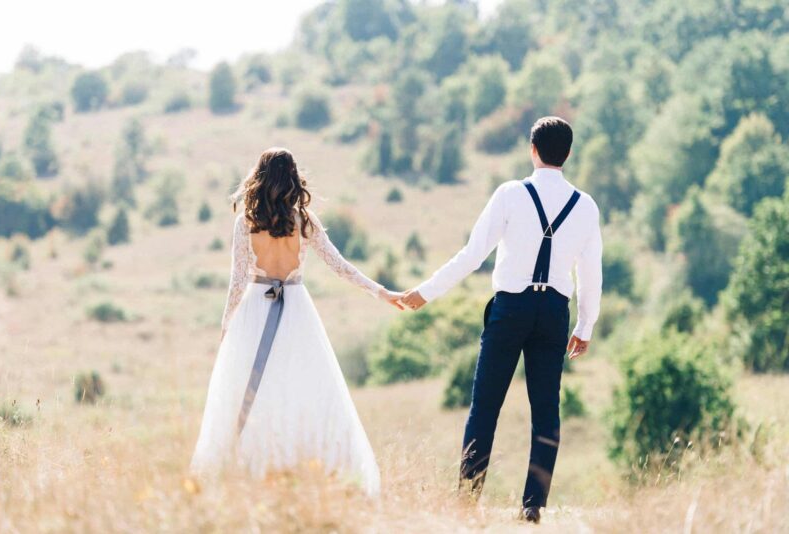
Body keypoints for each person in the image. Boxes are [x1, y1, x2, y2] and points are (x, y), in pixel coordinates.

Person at [401, 117, 603, 523]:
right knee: (546, 411)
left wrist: (426, 292)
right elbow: (591, 272)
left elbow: (473, 254)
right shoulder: (585, 205)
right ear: (568, 154)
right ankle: (533, 508)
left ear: (533, 150)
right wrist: (585, 327)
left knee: (485, 407)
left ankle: (467, 501)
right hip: (553, 313)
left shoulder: (511, 194)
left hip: (510, 308)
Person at [190, 147, 403, 496]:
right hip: (297, 310)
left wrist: (227, 325)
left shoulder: (245, 222)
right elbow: (340, 266)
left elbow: (237, 281)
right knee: (301, 389)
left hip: (255, 310)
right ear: (292, 179)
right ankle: (300, 467)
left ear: (258, 178)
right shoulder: (304, 221)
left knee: (253, 392)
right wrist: (380, 292)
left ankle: (252, 469)